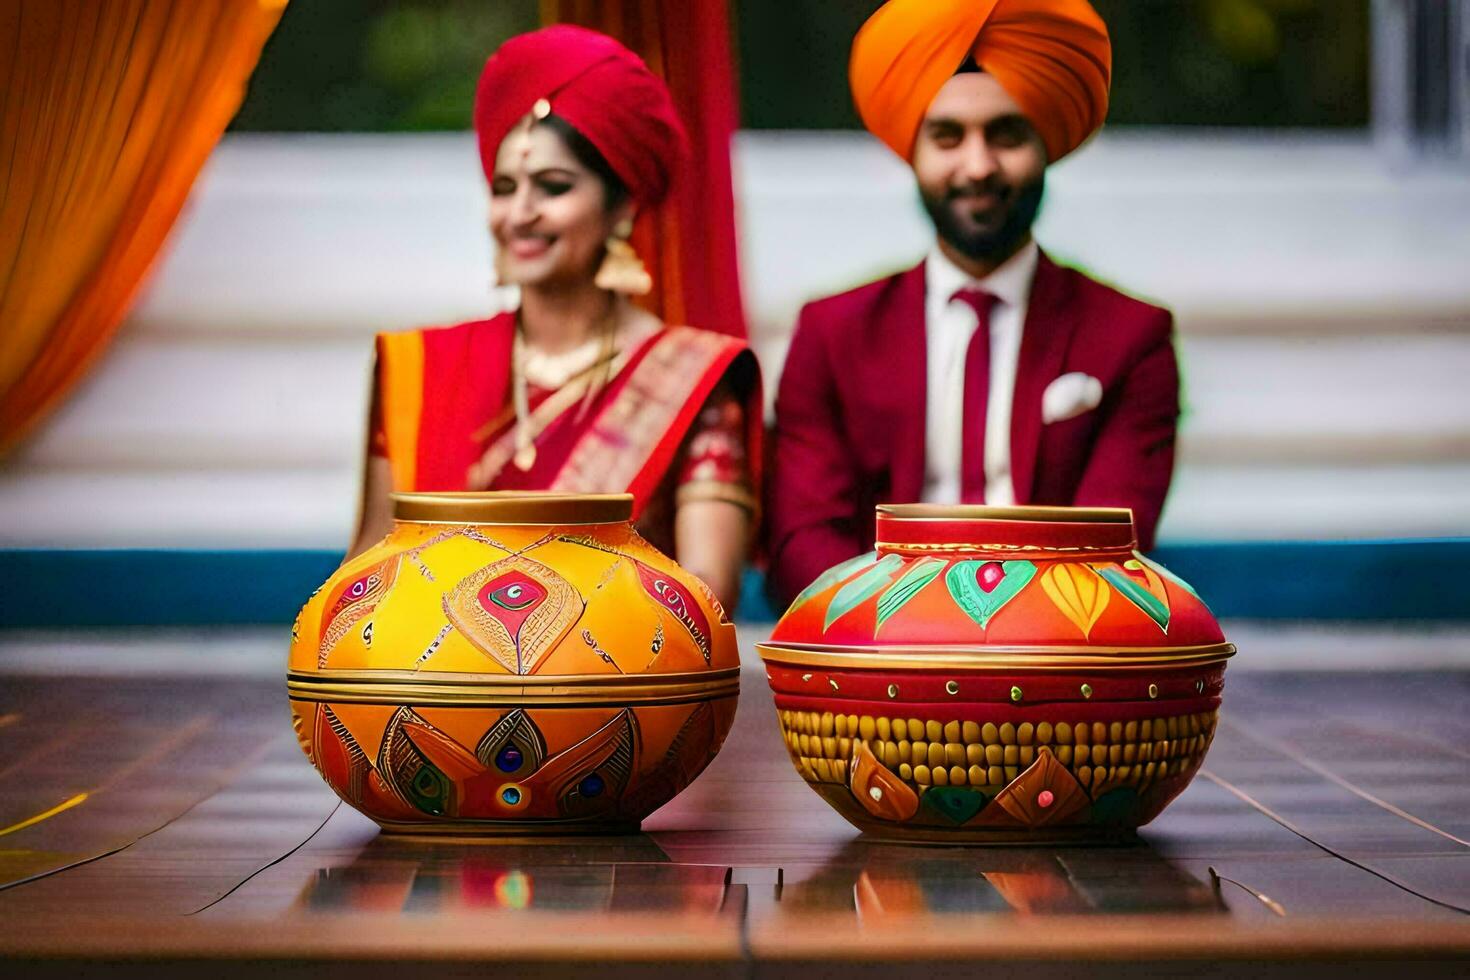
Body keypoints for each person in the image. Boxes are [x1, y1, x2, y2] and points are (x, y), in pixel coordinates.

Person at [767, 0, 1179, 607]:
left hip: (1056, 658)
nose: (978, 166)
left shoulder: (1129, 337)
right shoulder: (832, 333)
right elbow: (802, 543)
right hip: (882, 661)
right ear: (913, 149)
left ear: (1046, 145)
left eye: (1007, 134)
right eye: (948, 136)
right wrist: (911, 633)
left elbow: (1113, 554)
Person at [352, 26, 760, 611]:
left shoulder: (693, 379)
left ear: (621, 206)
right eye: (504, 187)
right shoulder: (421, 369)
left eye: (553, 187)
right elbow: (368, 576)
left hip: (613, 689)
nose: (520, 214)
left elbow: (704, 602)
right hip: (434, 689)